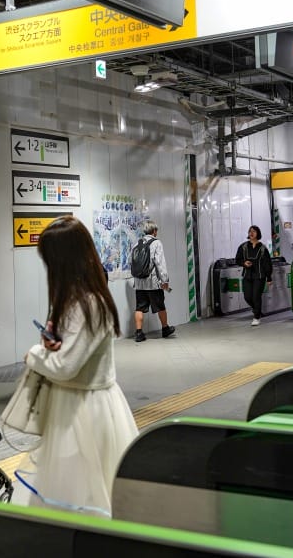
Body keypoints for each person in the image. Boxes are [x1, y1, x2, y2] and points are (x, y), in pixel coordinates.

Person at [22, 215, 138, 515]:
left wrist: (34, 354)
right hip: (75, 405)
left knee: (84, 497)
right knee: (76, 495)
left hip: (86, 410)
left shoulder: (90, 303)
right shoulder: (76, 299)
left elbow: (65, 367)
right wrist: (51, 342)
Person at [132, 220, 172, 342]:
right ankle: (165, 328)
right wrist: (165, 280)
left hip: (139, 283)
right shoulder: (156, 243)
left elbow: (131, 262)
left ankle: (139, 333)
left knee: (139, 308)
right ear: (154, 231)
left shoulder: (136, 243)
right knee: (160, 306)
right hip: (153, 283)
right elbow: (160, 263)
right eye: (156, 230)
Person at [235, 225, 273, 326]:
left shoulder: (262, 248)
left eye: (254, 231)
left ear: (258, 234)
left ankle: (256, 317)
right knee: (247, 297)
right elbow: (237, 260)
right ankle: (257, 309)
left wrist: (269, 278)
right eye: (250, 231)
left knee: (256, 296)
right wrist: (244, 263)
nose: (251, 233)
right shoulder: (243, 247)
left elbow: (267, 263)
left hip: (259, 276)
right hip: (247, 275)